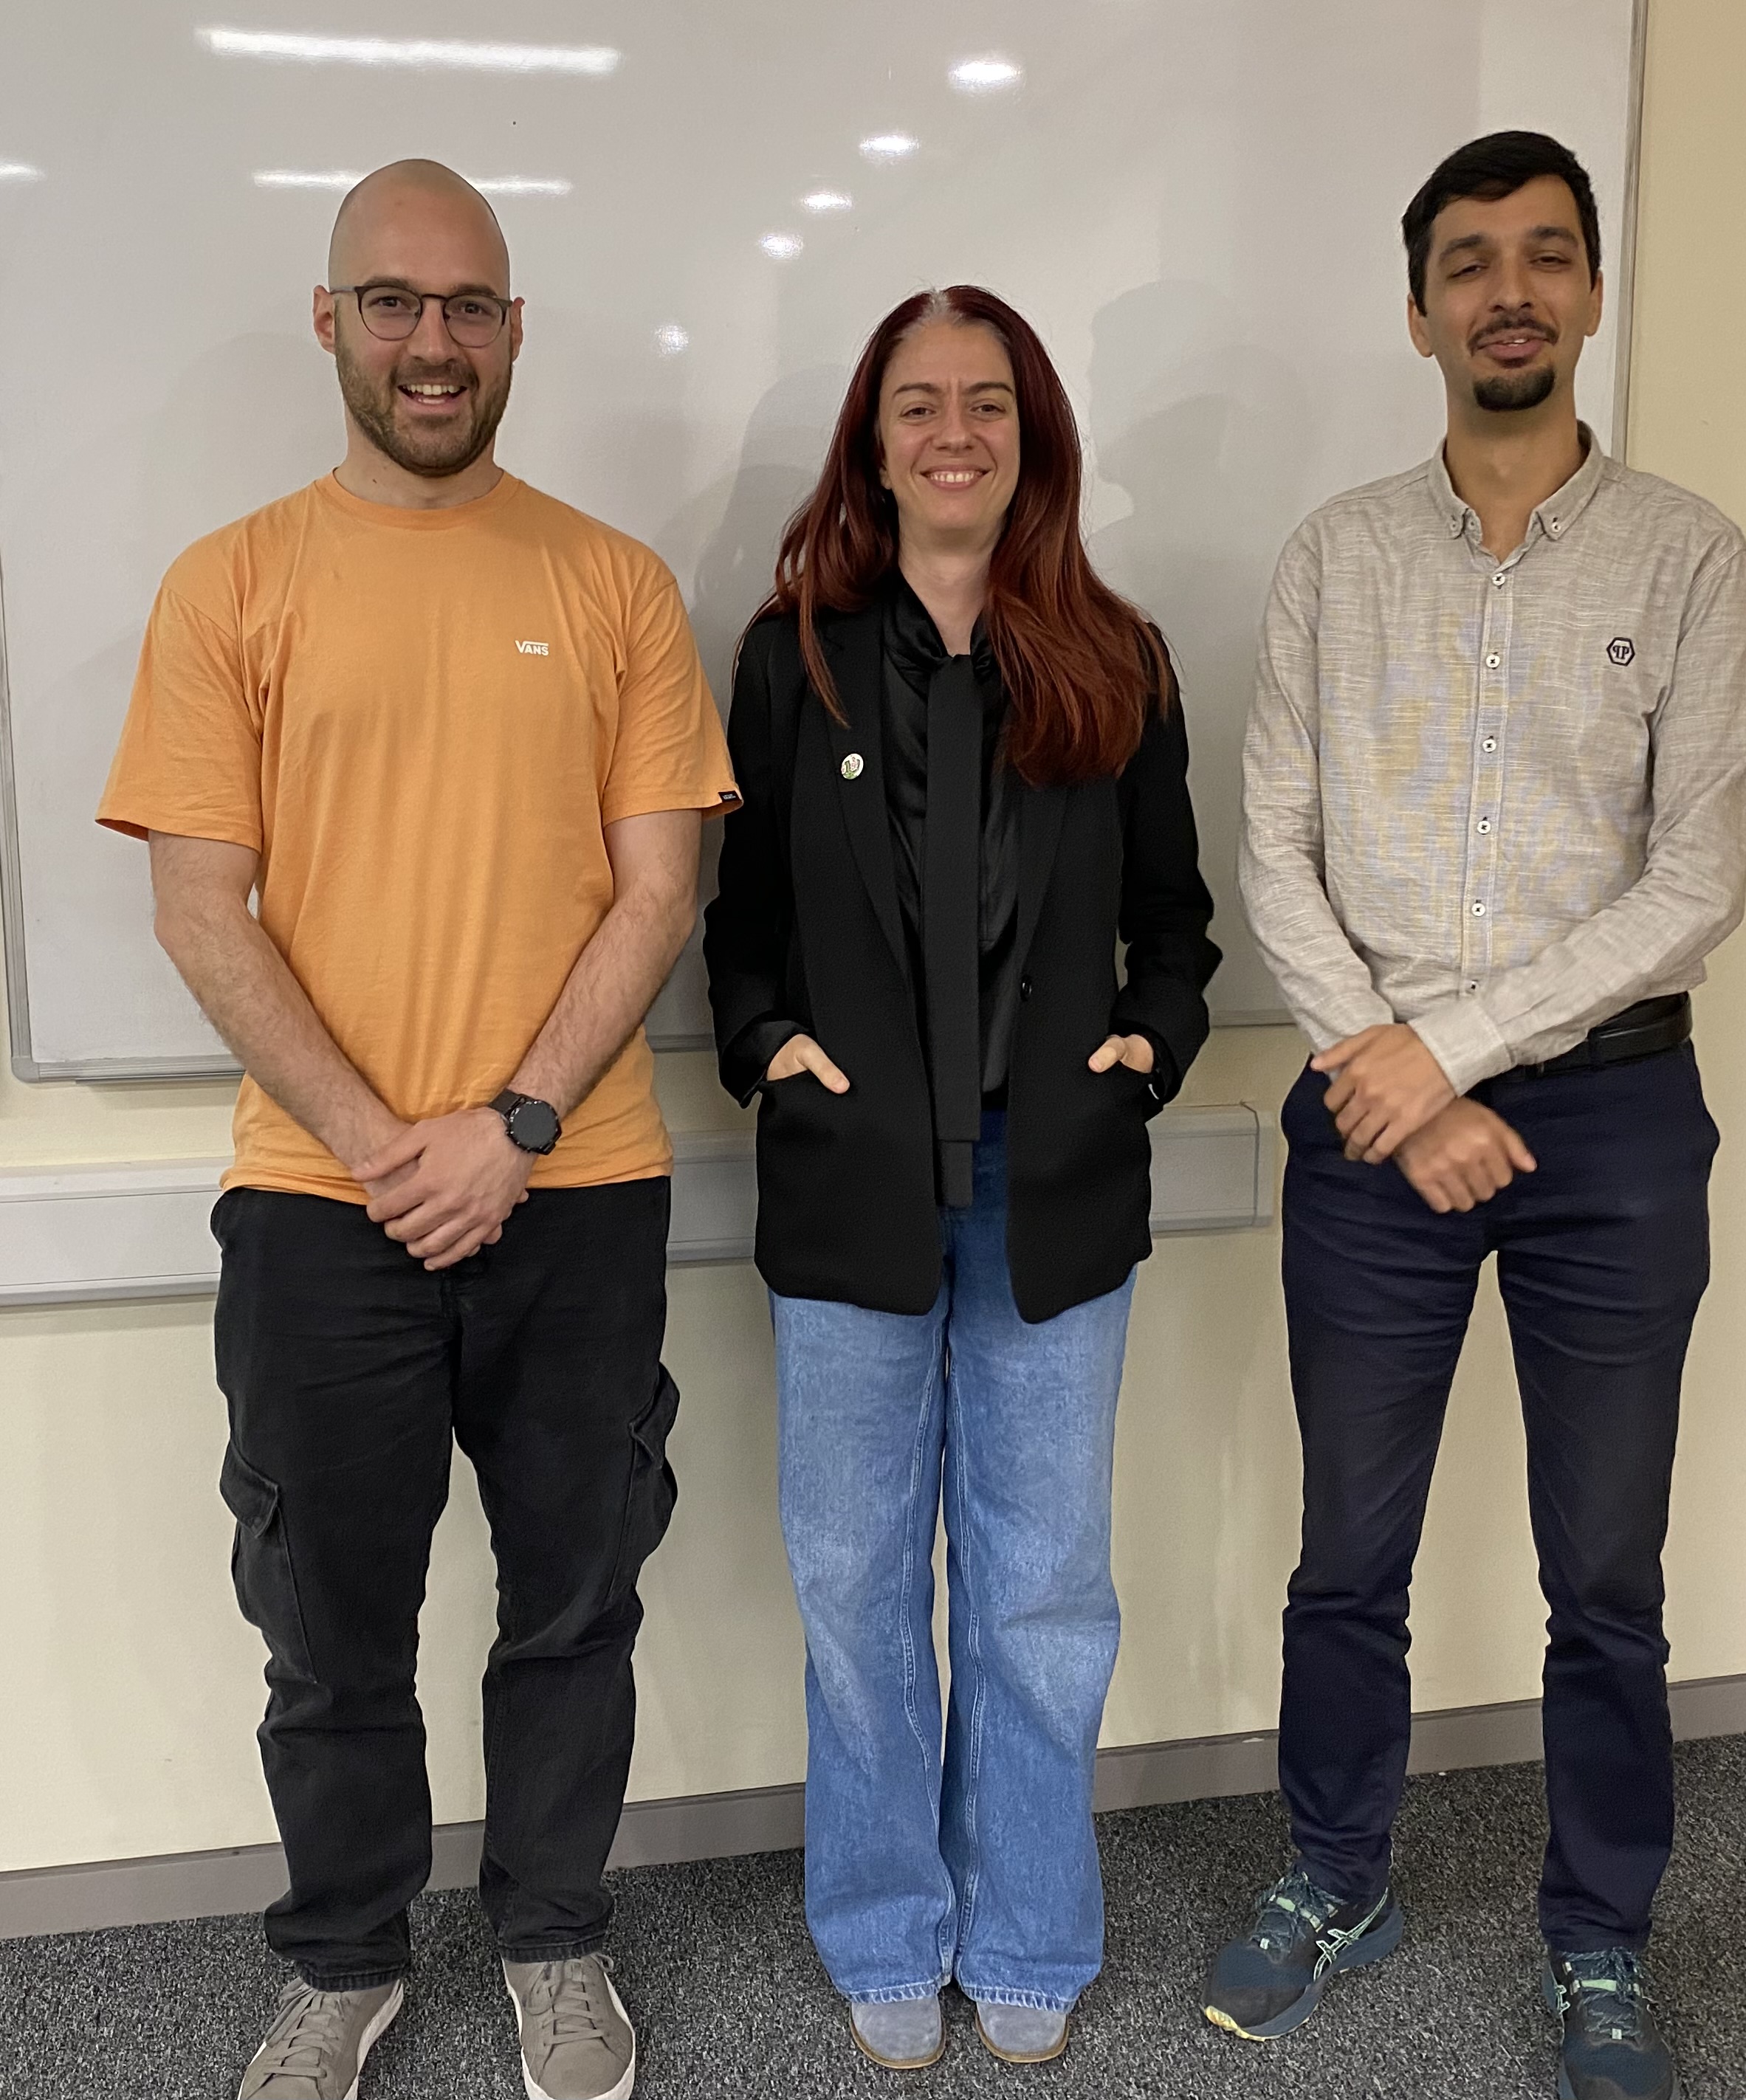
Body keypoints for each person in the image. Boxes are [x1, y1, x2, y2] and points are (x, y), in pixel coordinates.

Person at [97, 161, 738, 2100]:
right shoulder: (232, 581)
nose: (432, 341)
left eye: (469, 306)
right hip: (319, 1204)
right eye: (393, 302)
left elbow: (660, 889)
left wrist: (514, 1120)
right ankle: (343, 1955)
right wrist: (395, 1138)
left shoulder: (612, 581)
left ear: (516, 327)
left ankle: (552, 1935)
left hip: (579, 1185)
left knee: (571, 1599)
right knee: (328, 1614)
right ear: (331, 322)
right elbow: (203, 900)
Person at [1208, 132, 1746, 2100]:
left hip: (1608, 1131)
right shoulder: (1337, 555)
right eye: (1468, 262)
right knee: (1344, 1548)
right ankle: (1335, 1862)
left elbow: (1691, 878)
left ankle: (1599, 1928)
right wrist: (1395, 1067)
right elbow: (1274, 849)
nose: (1506, 291)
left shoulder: (1687, 553)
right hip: (1372, 1126)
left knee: (1603, 1569)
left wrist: (1451, 1051)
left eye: (1544, 256)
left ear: (1593, 294)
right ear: (1421, 307)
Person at [704, 286, 1219, 2069]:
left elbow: (1177, 923)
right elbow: (739, 923)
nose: (952, 434)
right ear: (872, 438)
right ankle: (880, 1920)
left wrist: (1150, 1043)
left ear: (1032, 435)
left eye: (985, 403)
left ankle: (1024, 1930)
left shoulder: (1114, 654)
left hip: (1047, 1179)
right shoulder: (798, 656)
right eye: (917, 405)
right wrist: (768, 1041)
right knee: (852, 1579)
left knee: (1040, 1586)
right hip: (850, 1181)